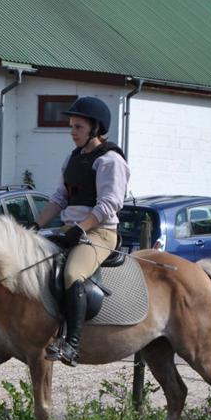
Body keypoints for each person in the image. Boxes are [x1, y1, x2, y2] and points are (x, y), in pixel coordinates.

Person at [34, 96, 131, 366]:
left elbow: (110, 203)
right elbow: (58, 199)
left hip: (99, 233)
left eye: (78, 127)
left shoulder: (110, 161)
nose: (72, 132)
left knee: (73, 273)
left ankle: (72, 344)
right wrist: (36, 226)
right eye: (71, 126)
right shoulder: (73, 158)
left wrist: (80, 229)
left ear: (95, 129)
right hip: (71, 228)